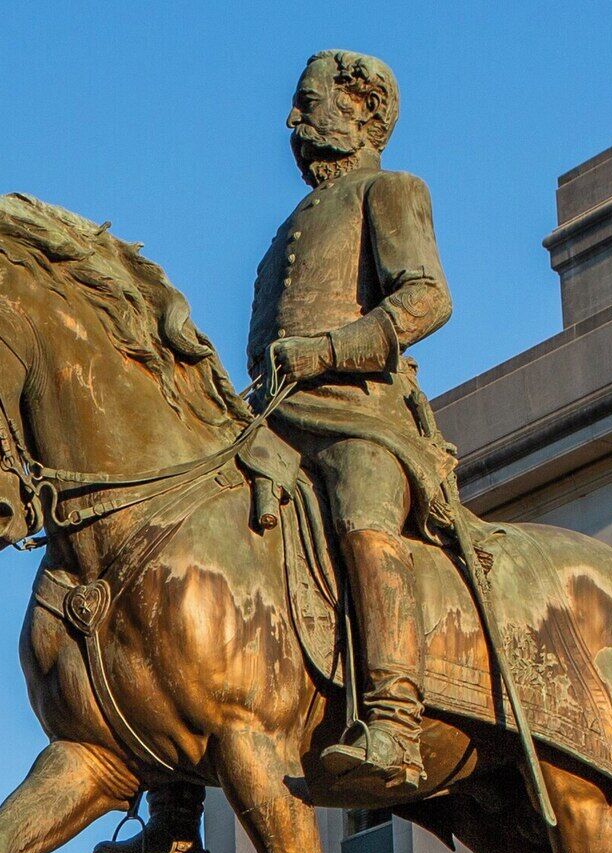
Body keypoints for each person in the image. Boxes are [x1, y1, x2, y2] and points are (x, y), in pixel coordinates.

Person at [253, 50, 465, 800]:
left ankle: (394, 720)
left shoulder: (391, 191)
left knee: (362, 513)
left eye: (309, 102)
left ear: (362, 110)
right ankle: (173, 779)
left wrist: (332, 351)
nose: (293, 120)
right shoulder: (287, 229)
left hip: (359, 416)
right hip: (272, 418)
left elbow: (426, 298)